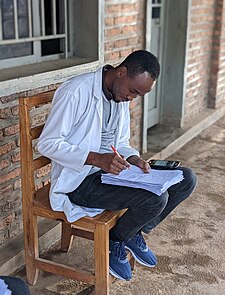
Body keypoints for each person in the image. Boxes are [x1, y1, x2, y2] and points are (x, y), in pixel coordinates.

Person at [37, 50, 197, 281]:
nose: (132, 98)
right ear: (121, 72)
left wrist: (133, 159)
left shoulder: (119, 95)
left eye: (138, 95)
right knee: (154, 200)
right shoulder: (76, 92)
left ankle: (130, 233)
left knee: (186, 179)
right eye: (133, 91)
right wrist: (96, 159)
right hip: (79, 181)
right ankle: (117, 240)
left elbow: (120, 142)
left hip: (111, 173)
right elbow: (47, 144)